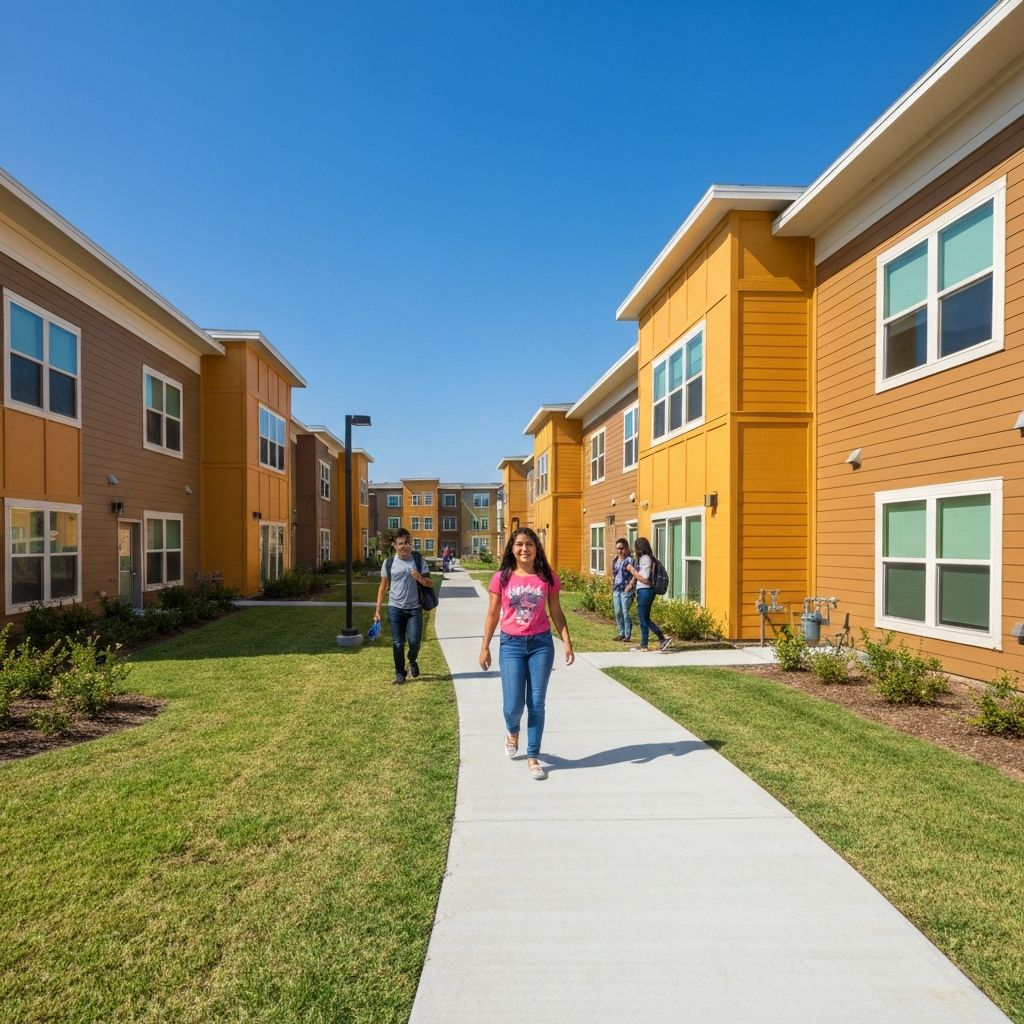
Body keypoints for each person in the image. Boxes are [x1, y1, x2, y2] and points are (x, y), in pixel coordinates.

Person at [479, 527, 574, 780]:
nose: (524, 549)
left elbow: (556, 611)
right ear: (512, 548)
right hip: (511, 645)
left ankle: (533, 756)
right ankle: (512, 731)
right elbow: (492, 614)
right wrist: (485, 646)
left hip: (541, 644)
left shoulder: (547, 577)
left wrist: (566, 641)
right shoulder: (501, 578)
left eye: (529, 544)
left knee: (537, 703)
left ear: (536, 548)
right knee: (513, 705)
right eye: (519, 544)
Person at [374, 528, 435, 685]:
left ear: (410, 544)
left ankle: (412, 659)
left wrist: (419, 578)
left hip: (414, 609)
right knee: (397, 642)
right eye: (400, 543)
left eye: (407, 543)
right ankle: (400, 673)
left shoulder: (418, 561)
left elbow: (431, 583)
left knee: (414, 642)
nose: (404, 546)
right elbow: (383, 586)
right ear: (395, 545)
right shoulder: (389, 563)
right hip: (395, 608)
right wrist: (377, 610)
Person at [625, 537, 671, 652]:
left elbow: (645, 579)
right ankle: (662, 639)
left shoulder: (645, 559)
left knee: (643, 618)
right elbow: (641, 576)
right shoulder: (647, 558)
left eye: (635, 547)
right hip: (645, 591)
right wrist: (631, 584)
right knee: (645, 618)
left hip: (645, 591)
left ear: (639, 548)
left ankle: (644, 645)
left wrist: (631, 569)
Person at [610, 538, 635, 643]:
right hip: (616, 589)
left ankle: (627, 635)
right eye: (618, 548)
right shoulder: (615, 560)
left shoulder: (629, 560)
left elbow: (635, 574)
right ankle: (621, 633)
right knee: (618, 612)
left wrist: (631, 584)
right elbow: (614, 573)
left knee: (625, 612)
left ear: (626, 548)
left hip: (626, 590)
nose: (619, 550)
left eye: (622, 548)